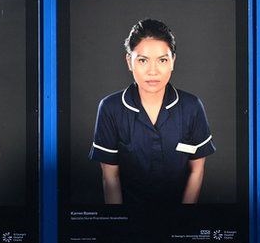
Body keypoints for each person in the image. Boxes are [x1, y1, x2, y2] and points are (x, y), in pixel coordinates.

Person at [89, 19, 214, 204]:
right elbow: (110, 177)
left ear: (172, 61)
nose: (153, 71)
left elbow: (197, 170)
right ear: (129, 62)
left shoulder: (192, 107)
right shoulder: (110, 108)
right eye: (143, 60)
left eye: (162, 60)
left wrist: (184, 217)